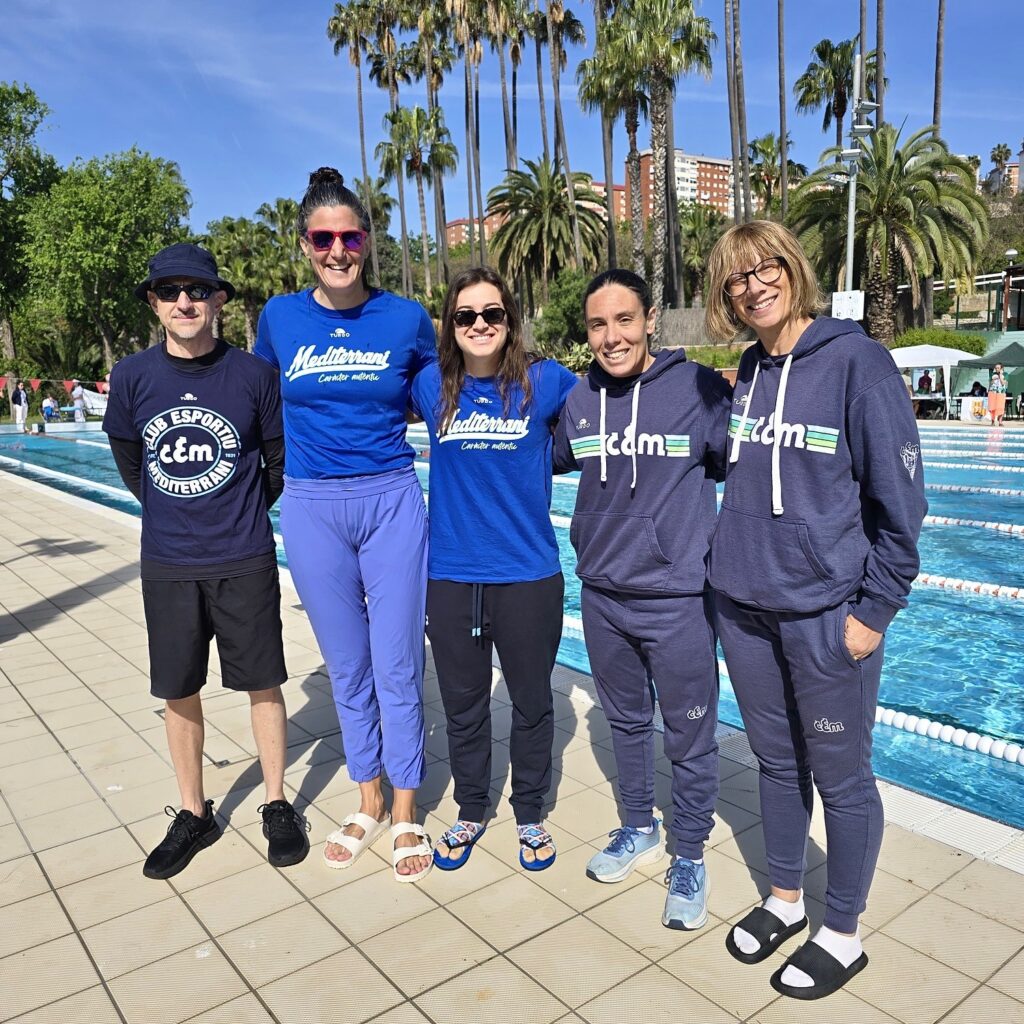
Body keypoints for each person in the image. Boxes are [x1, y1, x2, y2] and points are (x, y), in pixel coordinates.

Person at [703, 222, 926, 1000]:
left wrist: (876, 609)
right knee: (774, 762)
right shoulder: (752, 370)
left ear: (793, 270)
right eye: (737, 278)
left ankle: (842, 929)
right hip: (747, 607)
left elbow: (902, 507)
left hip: (824, 615)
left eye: (765, 268)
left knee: (841, 777)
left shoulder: (858, 362)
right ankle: (785, 898)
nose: (753, 285)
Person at [103, 243, 308, 879]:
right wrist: (177, 511)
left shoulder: (252, 375)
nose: (185, 302)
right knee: (178, 687)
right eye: (170, 292)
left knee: (262, 681)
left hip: (242, 555)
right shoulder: (134, 376)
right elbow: (132, 461)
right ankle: (194, 813)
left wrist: (234, 513)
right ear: (154, 303)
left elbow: (276, 464)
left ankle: (276, 802)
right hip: (168, 561)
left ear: (217, 299)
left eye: (197, 290)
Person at [254, 168, 436, 883]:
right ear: (304, 244)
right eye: (323, 238)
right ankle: (366, 796)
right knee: (348, 666)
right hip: (311, 506)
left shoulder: (404, 317)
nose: (337, 249)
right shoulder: (279, 318)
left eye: (349, 236)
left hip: (390, 498)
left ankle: (407, 811)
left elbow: (448, 385)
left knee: (396, 662)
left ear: (367, 241)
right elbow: (259, 400)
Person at [553, 269, 732, 930]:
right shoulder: (577, 401)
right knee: (624, 724)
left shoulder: (698, 390)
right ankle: (637, 826)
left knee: (691, 736)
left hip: (678, 598)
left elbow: (734, 467)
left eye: (623, 320)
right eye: (598, 324)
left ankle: (689, 854)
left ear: (650, 319)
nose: (612, 336)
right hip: (602, 595)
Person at [410, 267, 577, 872]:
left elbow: (602, 412)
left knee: (531, 701)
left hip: (528, 574)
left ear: (510, 321)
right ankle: (472, 807)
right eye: (466, 316)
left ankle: (530, 812)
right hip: (452, 574)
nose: (479, 325)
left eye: (492, 314)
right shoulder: (432, 386)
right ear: (450, 326)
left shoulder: (545, 381)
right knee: (463, 702)